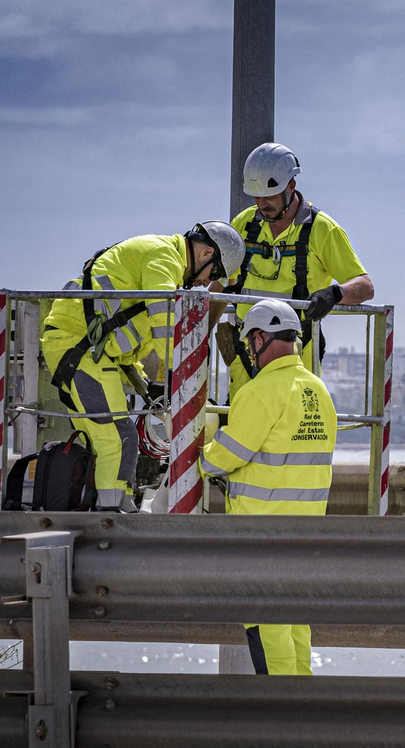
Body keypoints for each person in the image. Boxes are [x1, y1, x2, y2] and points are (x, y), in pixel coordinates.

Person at [42, 223, 243, 511]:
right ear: (206, 253)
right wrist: (184, 376)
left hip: (85, 349)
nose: (205, 283)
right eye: (213, 274)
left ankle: (116, 505)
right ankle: (111, 513)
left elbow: (131, 331)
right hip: (79, 348)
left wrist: (149, 384)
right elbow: (166, 325)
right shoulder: (164, 258)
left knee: (105, 439)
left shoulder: (162, 255)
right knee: (118, 437)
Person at [199, 298, 337, 676]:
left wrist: (205, 444)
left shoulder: (260, 392)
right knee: (296, 626)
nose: (249, 353)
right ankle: (303, 711)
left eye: (248, 345)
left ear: (259, 338)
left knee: (267, 628)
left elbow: (221, 459)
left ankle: (283, 716)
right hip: (306, 536)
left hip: (261, 537)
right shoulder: (319, 392)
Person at [219, 143, 373, 398]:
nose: (262, 203)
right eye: (256, 197)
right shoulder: (244, 224)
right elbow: (222, 285)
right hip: (246, 356)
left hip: (297, 359)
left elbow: (365, 286)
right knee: (242, 429)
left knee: (291, 429)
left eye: (269, 196)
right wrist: (201, 334)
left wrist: (334, 294)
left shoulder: (323, 230)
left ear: (291, 186)